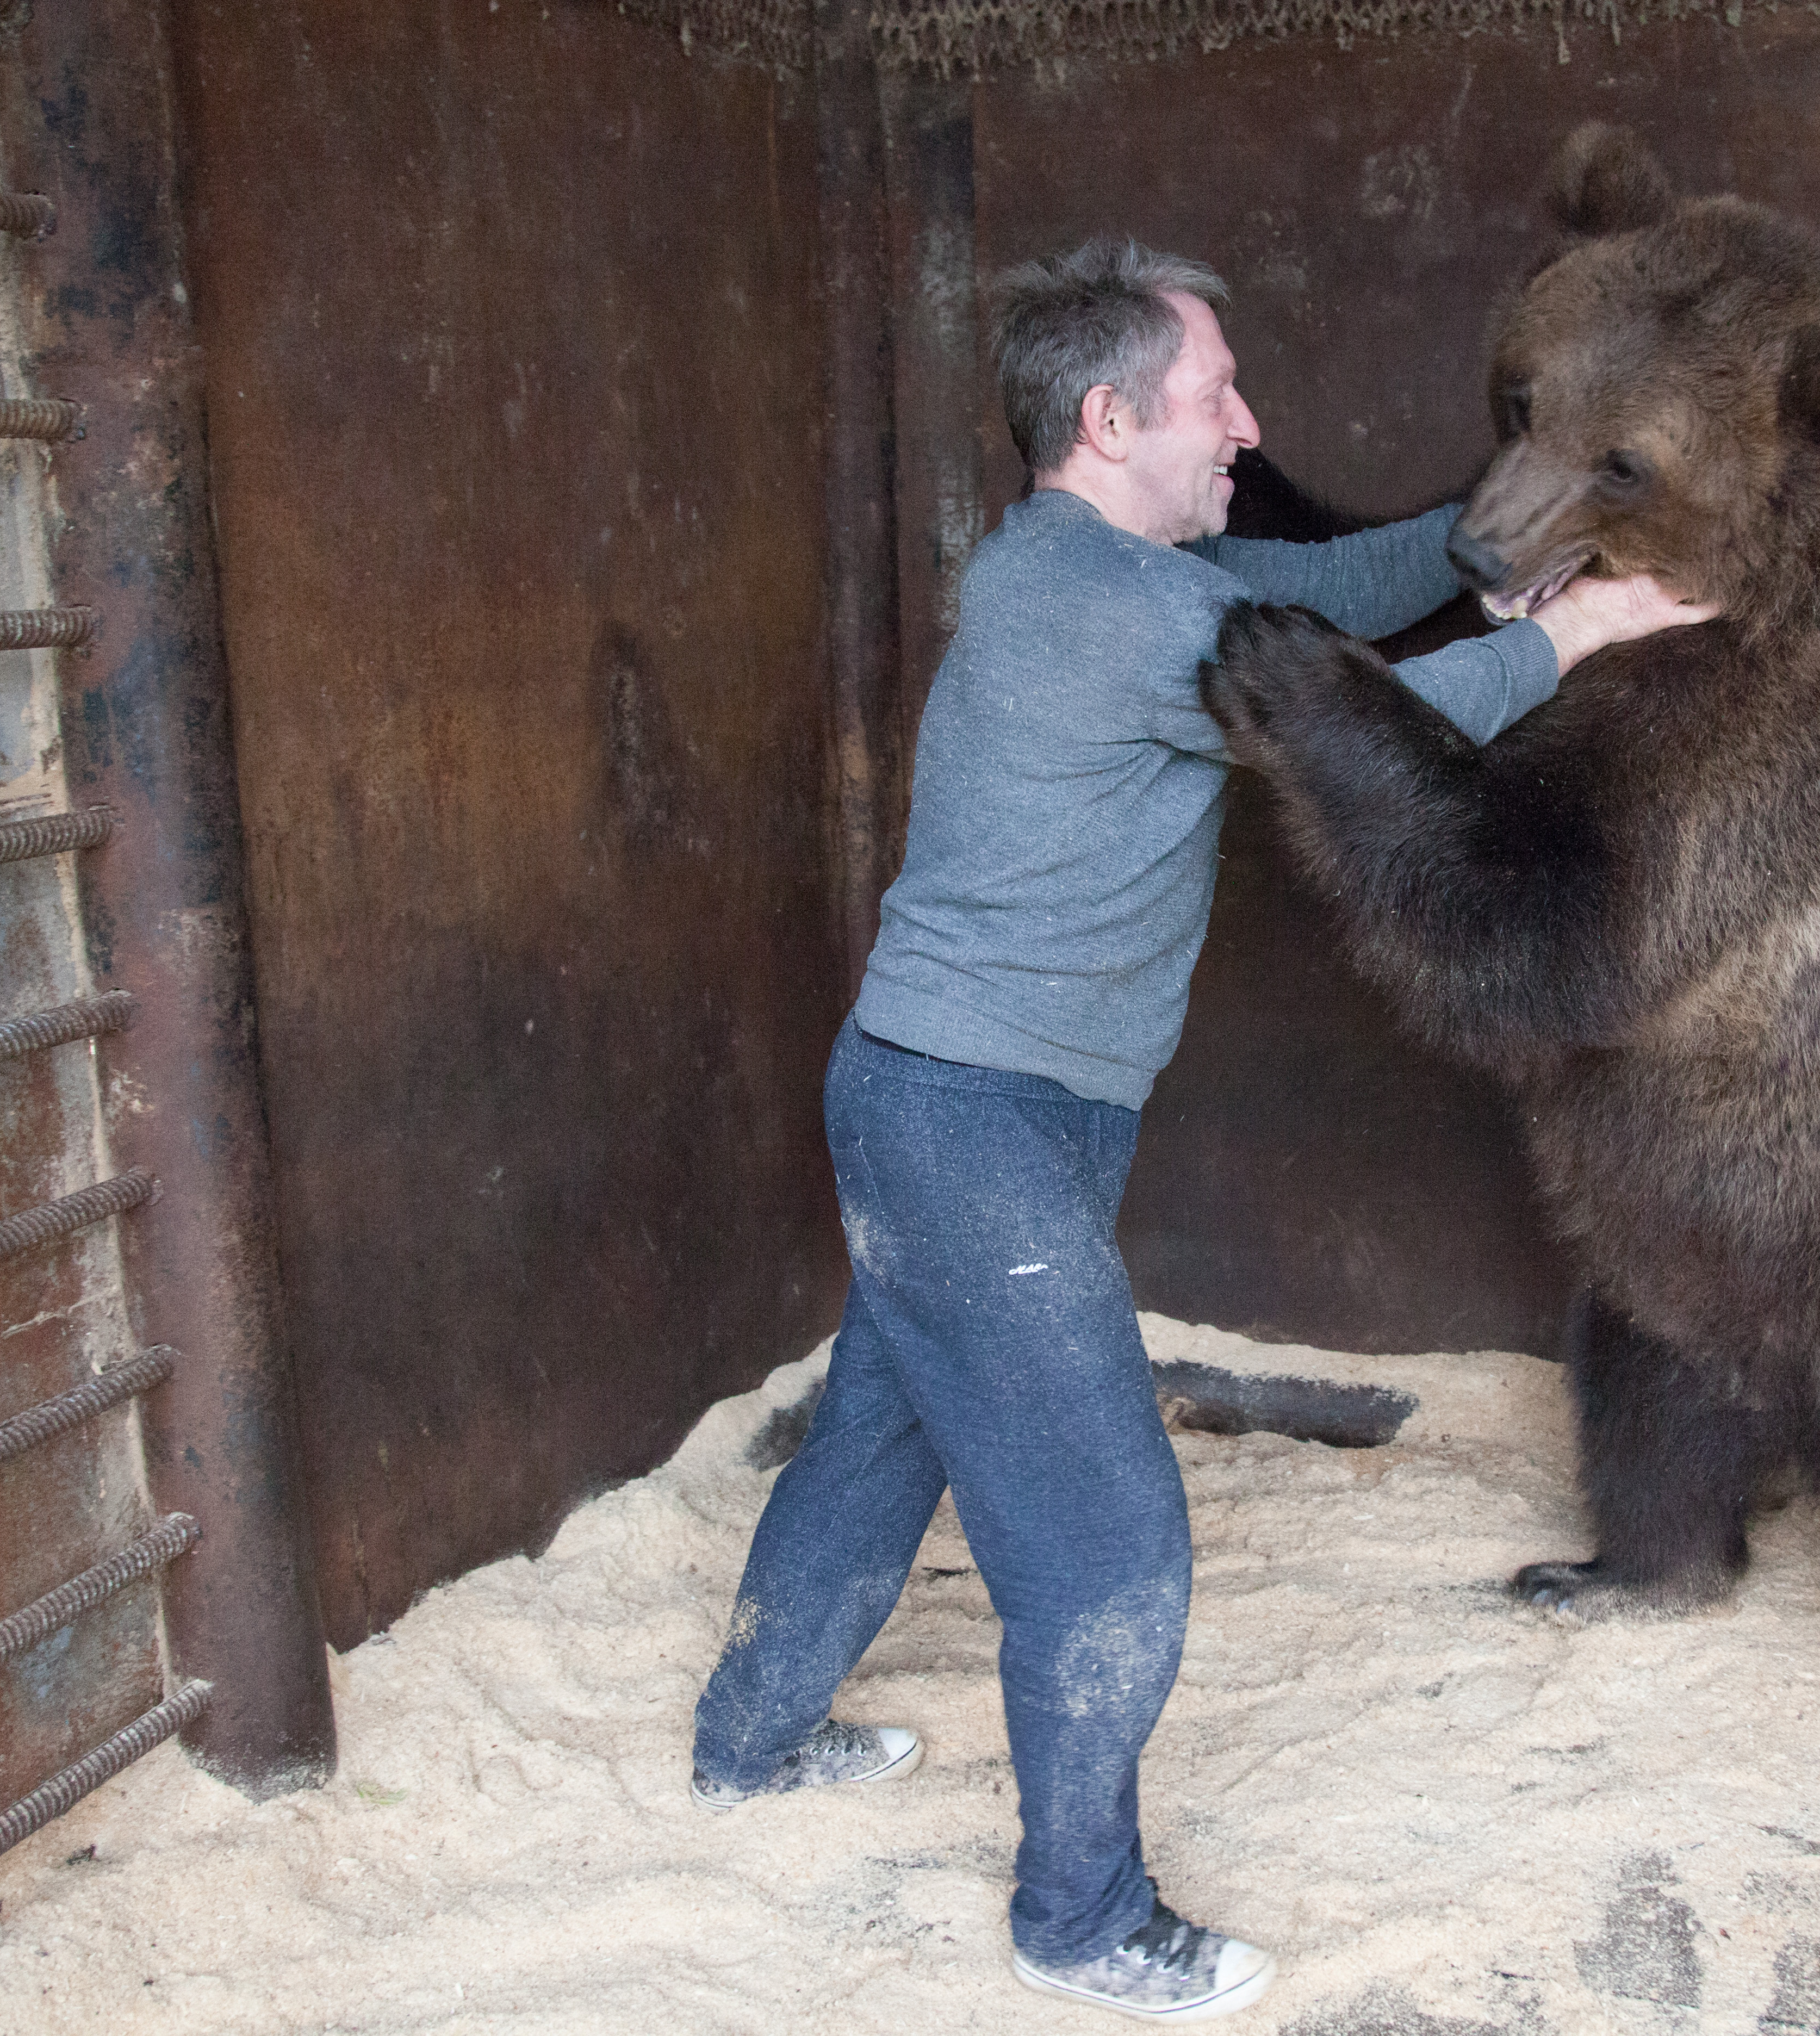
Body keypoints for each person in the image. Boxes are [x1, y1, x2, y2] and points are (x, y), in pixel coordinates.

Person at [690, 238, 1716, 2023]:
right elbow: (1375, 726)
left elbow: (1328, 583)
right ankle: (1079, 1921)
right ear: (1109, 417)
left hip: (985, 1104)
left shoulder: (1120, 565)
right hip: (971, 1122)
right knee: (1109, 1542)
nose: (1246, 424)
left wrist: (1499, 528)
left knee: (880, 1430)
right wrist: (1586, 624)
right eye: (1215, 394)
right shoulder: (1126, 614)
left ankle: (751, 1743)